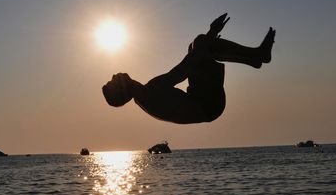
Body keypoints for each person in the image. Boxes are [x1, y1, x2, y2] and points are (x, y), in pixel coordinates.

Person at [102, 13, 275, 124]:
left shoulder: (145, 93)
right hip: (209, 105)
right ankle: (257, 55)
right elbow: (184, 69)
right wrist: (211, 33)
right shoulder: (150, 93)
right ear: (122, 89)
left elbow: (185, 67)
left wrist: (208, 41)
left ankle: (254, 59)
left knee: (197, 48)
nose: (113, 75)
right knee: (200, 44)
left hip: (204, 102)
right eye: (112, 82)